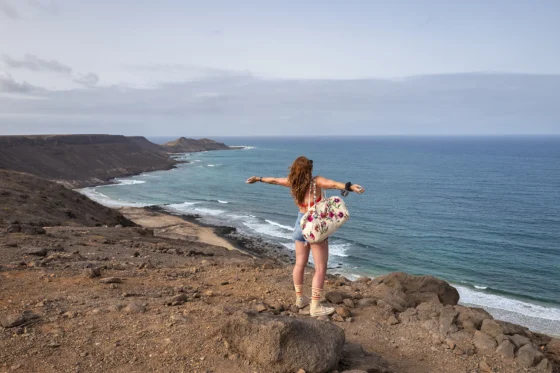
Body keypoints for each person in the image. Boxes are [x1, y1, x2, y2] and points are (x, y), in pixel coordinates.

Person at [246, 156, 365, 316]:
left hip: (300, 224)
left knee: (299, 264)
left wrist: (258, 179)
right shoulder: (316, 182)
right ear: (309, 170)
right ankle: (315, 306)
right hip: (314, 227)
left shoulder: (292, 182)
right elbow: (334, 184)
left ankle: (300, 298)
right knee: (320, 267)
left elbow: (274, 180)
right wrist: (350, 187)